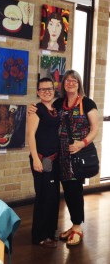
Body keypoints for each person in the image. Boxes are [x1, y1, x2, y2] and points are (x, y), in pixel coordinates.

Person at [29, 70, 99, 246]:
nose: (70, 83)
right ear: (63, 84)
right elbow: (44, 112)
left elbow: (95, 129)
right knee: (65, 192)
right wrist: (32, 108)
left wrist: (81, 143)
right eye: (67, 80)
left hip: (76, 155)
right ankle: (72, 225)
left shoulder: (88, 103)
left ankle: (77, 227)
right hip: (59, 157)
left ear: (79, 83)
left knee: (75, 191)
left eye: (74, 80)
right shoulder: (59, 103)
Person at [27, 77, 60, 248]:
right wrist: (36, 159)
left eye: (50, 88)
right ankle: (39, 236)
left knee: (53, 197)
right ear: (38, 92)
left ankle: (50, 232)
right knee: (44, 197)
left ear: (54, 90)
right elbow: (31, 135)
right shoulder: (36, 110)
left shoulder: (55, 109)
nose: (47, 91)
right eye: (43, 89)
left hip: (54, 159)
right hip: (42, 159)